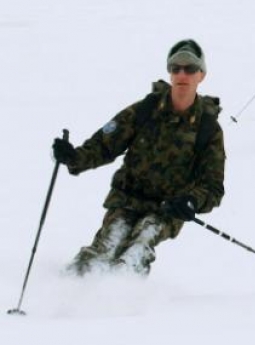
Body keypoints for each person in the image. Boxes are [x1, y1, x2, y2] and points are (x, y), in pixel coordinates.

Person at [52, 39, 226, 276]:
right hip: (126, 199)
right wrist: (73, 157)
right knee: (105, 247)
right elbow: (104, 145)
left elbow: (212, 186)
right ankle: (65, 291)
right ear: (170, 73)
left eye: (190, 68)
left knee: (138, 248)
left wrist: (192, 201)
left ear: (201, 75)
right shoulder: (145, 109)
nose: (182, 74)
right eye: (176, 68)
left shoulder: (208, 128)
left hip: (166, 209)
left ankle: (125, 302)